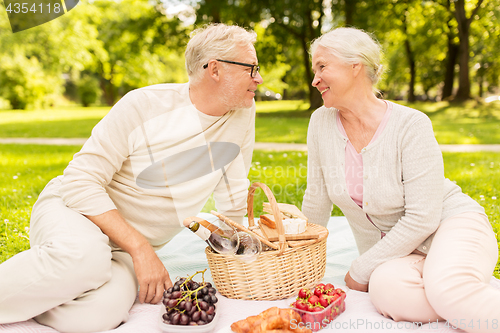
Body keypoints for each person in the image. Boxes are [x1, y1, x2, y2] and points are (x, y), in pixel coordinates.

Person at [0, 23, 263, 333]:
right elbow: (79, 180)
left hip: (122, 251)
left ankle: (45, 281)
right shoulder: (144, 105)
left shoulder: (243, 113)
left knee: (95, 317)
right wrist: (141, 249)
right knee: (85, 257)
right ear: (215, 70)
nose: (259, 78)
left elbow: (233, 190)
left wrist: (245, 251)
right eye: (252, 68)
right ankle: (62, 263)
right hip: (75, 211)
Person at [302, 27, 499, 333]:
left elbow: (423, 217)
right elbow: (316, 202)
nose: (314, 79)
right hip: (402, 253)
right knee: (387, 293)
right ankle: (463, 295)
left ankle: (455, 289)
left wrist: (360, 269)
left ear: (356, 67)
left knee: (446, 288)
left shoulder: (411, 125)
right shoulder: (320, 123)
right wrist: (298, 261)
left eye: (322, 67)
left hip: (451, 223)